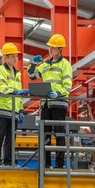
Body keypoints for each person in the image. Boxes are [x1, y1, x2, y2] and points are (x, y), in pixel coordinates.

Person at [27, 34, 73, 168]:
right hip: (46, 104)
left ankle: (59, 164)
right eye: (49, 47)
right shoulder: (45, 64)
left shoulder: (65, 65)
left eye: (53, 48)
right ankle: (45, 164)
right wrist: (33, 64)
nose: (50, 50)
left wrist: (58, 93)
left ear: (60, 49)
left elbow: (68, 86)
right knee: (45, 133)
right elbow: (32, 76)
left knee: (59, 133)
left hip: (59, 103)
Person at [0, 42, 29, 166]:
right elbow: (1, 87)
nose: (15, 58)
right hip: (2, 109)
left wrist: (21, 110)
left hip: (13, 111)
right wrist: (15, 92)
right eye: (13, 56)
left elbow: (18, 96)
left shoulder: (17, 73)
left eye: (16, 56)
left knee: (11, 138)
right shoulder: (0, 70)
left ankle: (8, 161)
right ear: (5, 57)